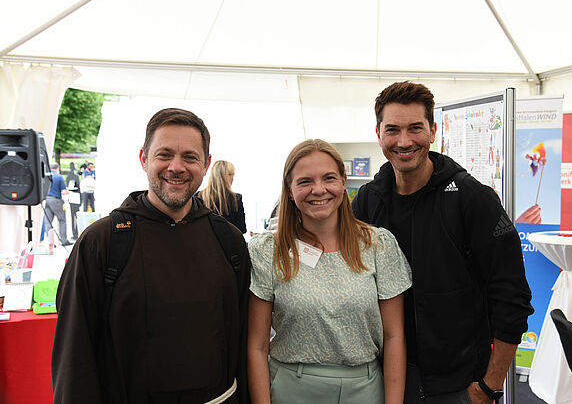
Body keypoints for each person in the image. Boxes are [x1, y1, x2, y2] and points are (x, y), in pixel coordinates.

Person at [52, 108, 250, 404]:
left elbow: (246, 342)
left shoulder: (229, 241)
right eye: (164, 154)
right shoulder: (102, 242)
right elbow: (74, 354)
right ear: (144, 159)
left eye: (190, 157)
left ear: (206, 164)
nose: (176, 167)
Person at [352, 82, 533, 404]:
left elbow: (512, 296)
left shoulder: (472, 199)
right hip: (383, 378)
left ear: (433, 131)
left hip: (458, 385)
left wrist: (489, 386)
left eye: (415, 128)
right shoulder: (368, 201)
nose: (404, 141)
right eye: (392, 129)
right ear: (378, 134)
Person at [247, 139, 412, 404]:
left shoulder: (378, 246)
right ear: (289, 191)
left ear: (344, 182)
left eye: (329, 178)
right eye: (304, 182)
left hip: (365, 389)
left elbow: (394, 337)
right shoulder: (268, 252)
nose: (318, 189)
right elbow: (256, 347)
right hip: (292, 389)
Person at [200, 160, 247, 233]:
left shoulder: (198, 196)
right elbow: (241, 229)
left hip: (203, 242)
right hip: (228, 243)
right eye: (230, 174)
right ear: (222, 176)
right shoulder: (236, 198)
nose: (233, 178)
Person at [44, 162, 71, 246]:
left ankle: (51, 242)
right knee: (62, 220)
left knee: (48, 222)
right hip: (56, 200)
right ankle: (63, 240)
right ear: (57, 168)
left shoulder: (45, 176)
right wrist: (68, 191)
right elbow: (63, 191)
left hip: (47, 199)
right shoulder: (59, 177)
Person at [65, 161, 82, 240]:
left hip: (71, 198)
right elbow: (79, 188)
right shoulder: (76, 176)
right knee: (76, 216)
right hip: (76, 198)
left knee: (72, 216)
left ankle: (74, 233)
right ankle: (77, 232)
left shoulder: (68, 177)